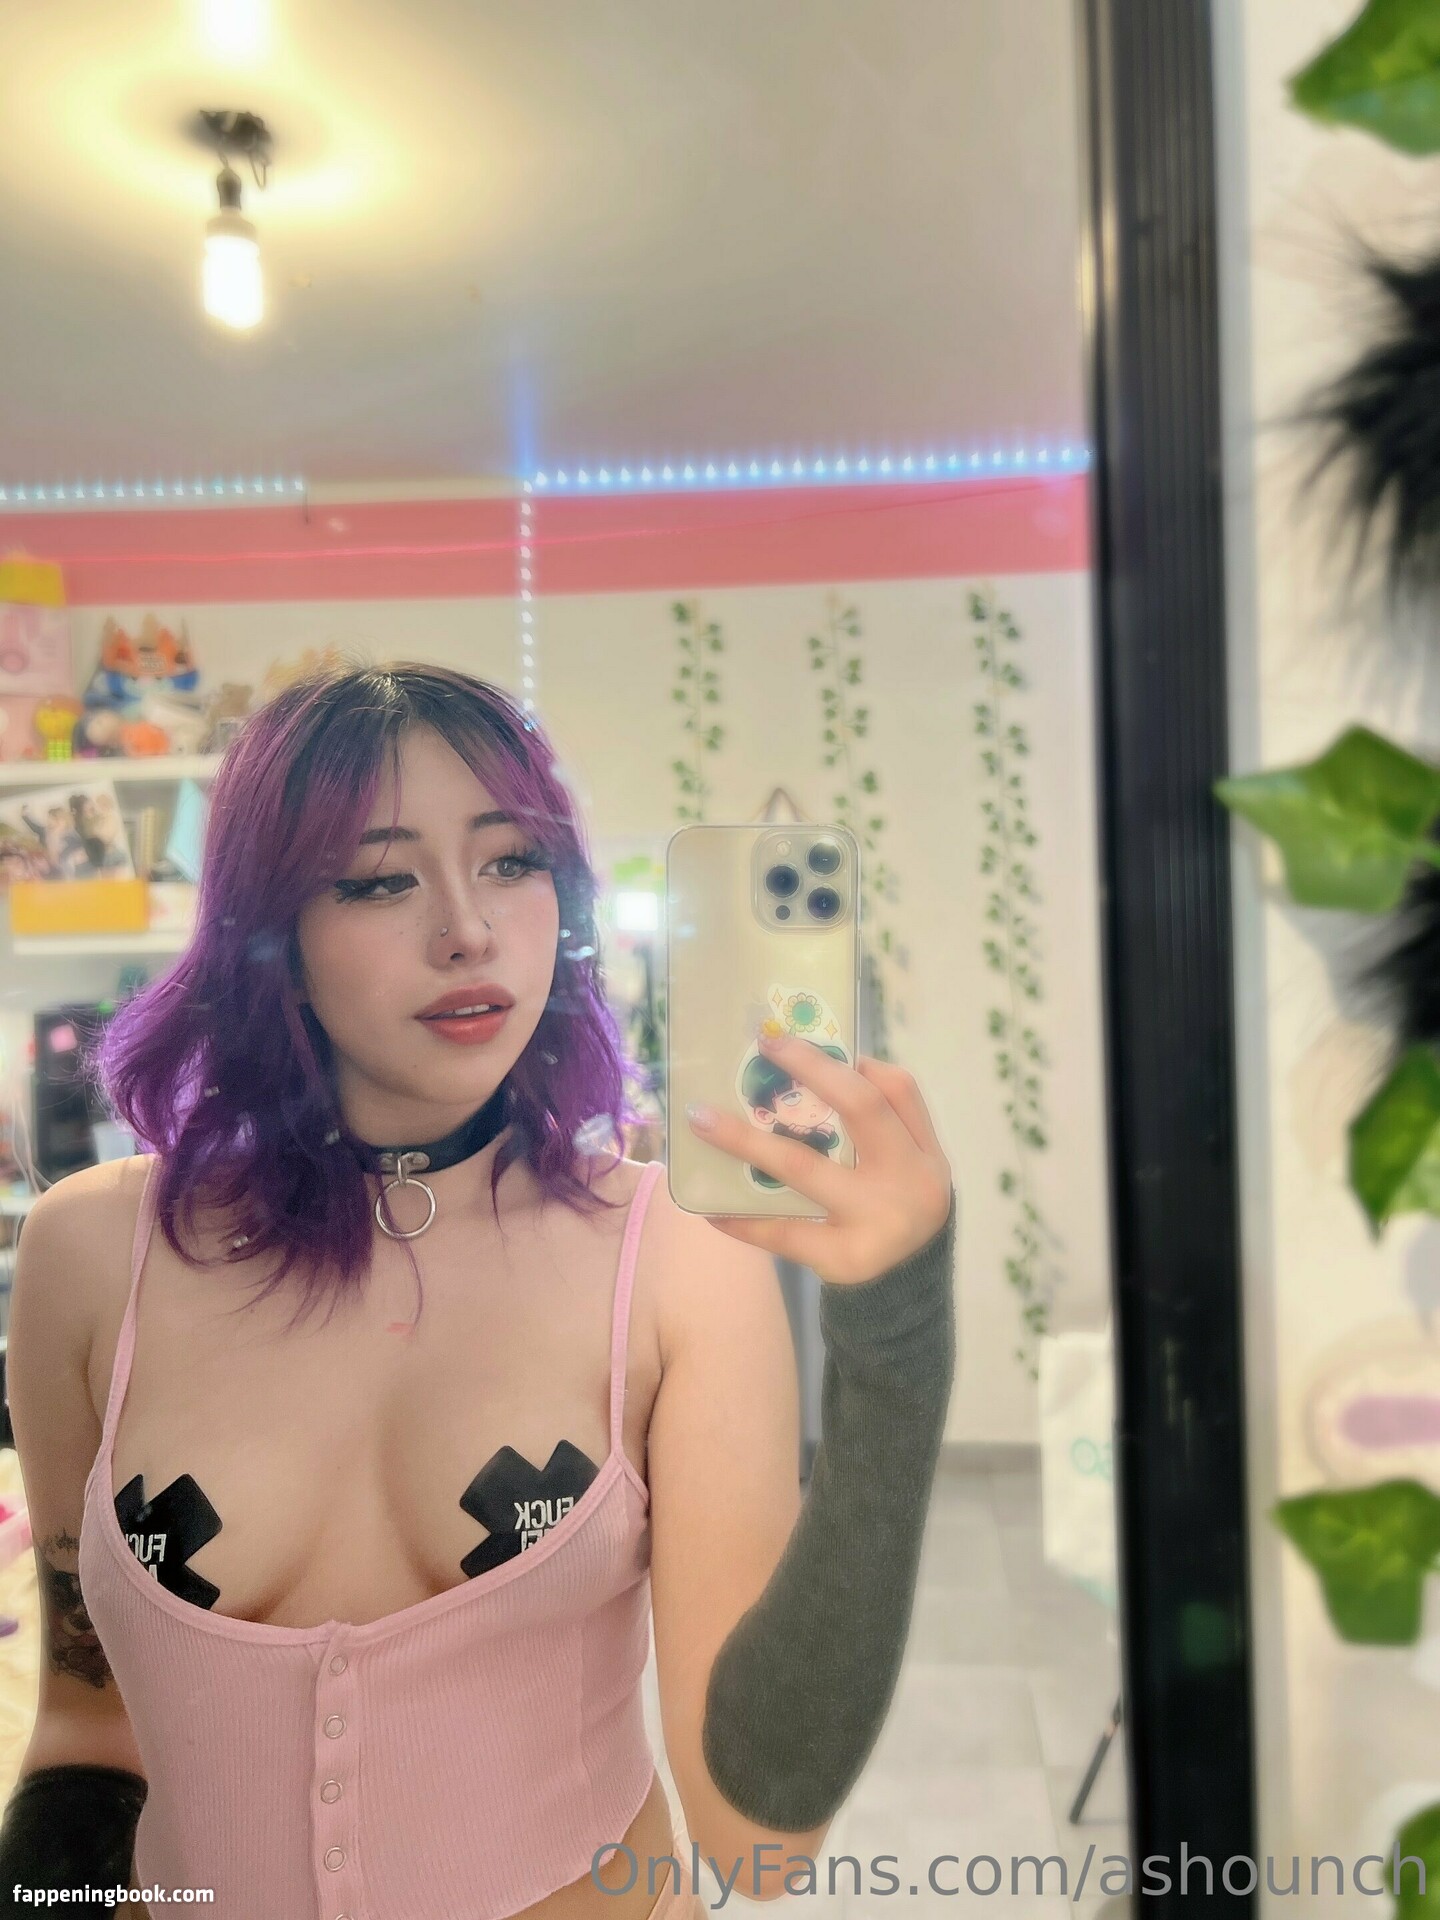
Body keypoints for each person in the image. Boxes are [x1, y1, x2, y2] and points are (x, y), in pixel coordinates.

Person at [0, 662, 957, 1920]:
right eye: (379, 879)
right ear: (268, 935)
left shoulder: (675, 1258)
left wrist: (898, 1333)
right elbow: (86, 1724)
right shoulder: (91, 1256)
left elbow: (759, 1838)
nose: (467, 928)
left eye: (512, 862)